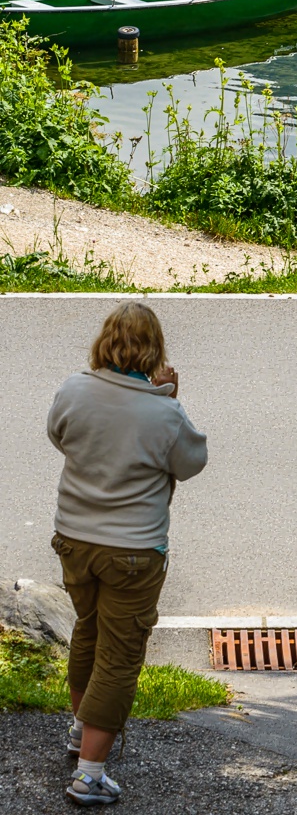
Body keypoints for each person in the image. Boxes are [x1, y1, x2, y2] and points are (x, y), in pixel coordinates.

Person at [48, 302, 207, 806]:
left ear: (104, 342)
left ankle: (80, 733)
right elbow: (191, 463)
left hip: (73, 539)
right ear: (154, 350)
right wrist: (168, 397)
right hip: (133, 552)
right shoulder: (163, 410)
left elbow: (59, 434)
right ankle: (90, 774)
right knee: (119, 658)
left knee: (87, 633)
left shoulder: (74, 389)